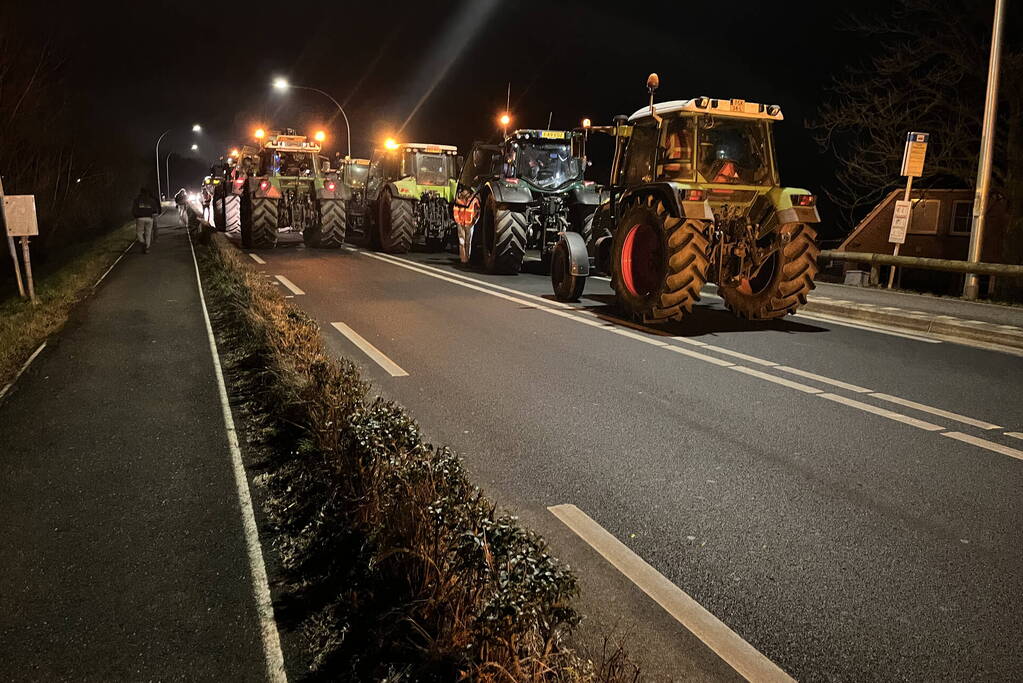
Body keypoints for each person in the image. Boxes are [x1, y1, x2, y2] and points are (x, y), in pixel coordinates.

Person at [132, 186, 161, 253]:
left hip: (140, 218)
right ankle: (147, 248)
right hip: (149, 218)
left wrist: (136, 215)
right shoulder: (151, 200)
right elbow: (154, 209)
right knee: (148, 234)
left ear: (140, 192)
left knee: (139, 232)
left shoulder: (137, 200)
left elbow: (134, 210)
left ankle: (142, 242)